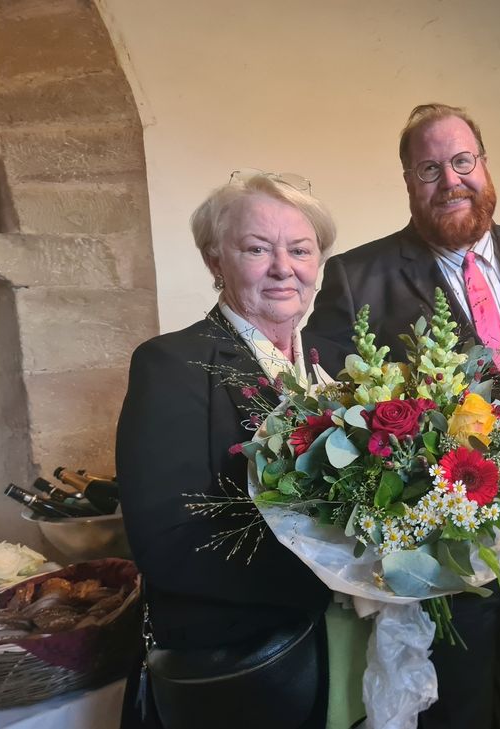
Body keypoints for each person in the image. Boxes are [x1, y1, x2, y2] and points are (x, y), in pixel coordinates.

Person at [305, 103, 500, 729]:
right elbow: (329, 409)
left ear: (485, 165)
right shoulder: (358, 278)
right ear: (409, 183)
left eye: (462, 161)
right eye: (428, 169)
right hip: (445, 556)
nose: (451, 181)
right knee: (454, 713)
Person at [116, 173, 348, 728]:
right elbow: (168, 542)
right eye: (255, 249)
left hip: (354, 643)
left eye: (300, 250)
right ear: (214, 260)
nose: (282, 268)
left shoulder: (343, 361)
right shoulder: (170, 365)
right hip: (252, 661)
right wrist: (343, 575)